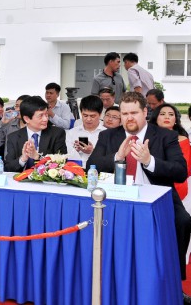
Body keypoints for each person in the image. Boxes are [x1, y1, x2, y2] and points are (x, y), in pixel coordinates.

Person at [87, 92, 191, 288]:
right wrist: (117, 156)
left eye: (134, 113)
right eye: (125, 114)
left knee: (182, 221)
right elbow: (91, 166)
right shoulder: (108, 135)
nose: (129, 118)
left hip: (158, 196)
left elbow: (180, 171)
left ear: (145, 112)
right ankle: (102, 278)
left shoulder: (165, 136)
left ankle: (174, 282)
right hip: (117, 197)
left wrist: (149, 161)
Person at [4, 96, 67, 172]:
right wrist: (22, 159)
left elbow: (62, 163)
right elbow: (8, 167)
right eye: (40, 116)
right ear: (27, 119)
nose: (45, 119)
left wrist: (38, 157)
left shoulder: (57, 134)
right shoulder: (13, 137)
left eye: (46, 115)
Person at [149, 103, 191, 201]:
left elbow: (184, 169)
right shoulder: (148, 138)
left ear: (175, 119)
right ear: (156, 118)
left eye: (171, 114)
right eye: (162, 114)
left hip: (177, 186)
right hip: (151, 185)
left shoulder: (182, 140)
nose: (167, 117)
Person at [65, 95, 105, 165]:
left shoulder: (107, 133)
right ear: (81, 113)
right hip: (76, 169)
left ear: (100, 114)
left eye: (92, 116)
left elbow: (110, 158)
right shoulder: (72, 133)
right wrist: (75, 150)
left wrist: (92, 151)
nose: (88, 119)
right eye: (85, 115)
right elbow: (67, 156)